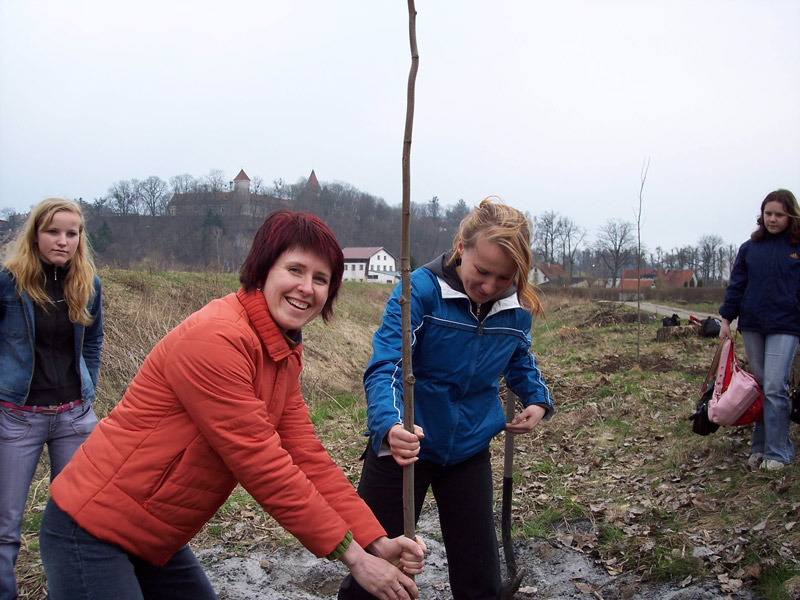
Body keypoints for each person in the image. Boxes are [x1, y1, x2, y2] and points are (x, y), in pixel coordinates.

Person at [38, 210, 424, 600]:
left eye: (321, 279)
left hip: (153, 534)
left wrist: (374, 540)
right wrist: (355, 558)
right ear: (263, 270)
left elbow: (306, 456)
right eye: (295, 270)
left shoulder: (280, 350)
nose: (306, 288)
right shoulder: (216, 339)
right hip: (91, 526)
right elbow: (262, 464)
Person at [339, 197, 553, 600]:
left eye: (504, 277)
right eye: (482, 271)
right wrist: (390, 425)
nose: (490, 287)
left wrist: (536, 399)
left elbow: (519, 355)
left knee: (480, 580)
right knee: (376, 571)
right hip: (405, 446)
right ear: (460, 248)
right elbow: (386, 365)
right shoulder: (419, 291)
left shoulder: (516, 307)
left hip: (468, 449)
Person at [0, 198, 103, 600]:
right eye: (53, 232)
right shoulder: (9, 283)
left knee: (78, 516)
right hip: (17, 417)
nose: (63, 241)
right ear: (35, 235)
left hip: (74, 418)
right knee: (6, 524)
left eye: (71, 233)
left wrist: (87, 389)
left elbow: (92, 341)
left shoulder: (88, 283)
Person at [720, 188, 800, 472]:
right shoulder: (749, 248)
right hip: (753, 325)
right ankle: (760, 447)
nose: (772, 219)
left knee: (776, 386)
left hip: (787, 325)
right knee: (762, 385)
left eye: (779, 215)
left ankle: (779, 452)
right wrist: (726, 320)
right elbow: (737, 286)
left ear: (791, 217)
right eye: (768, 214)